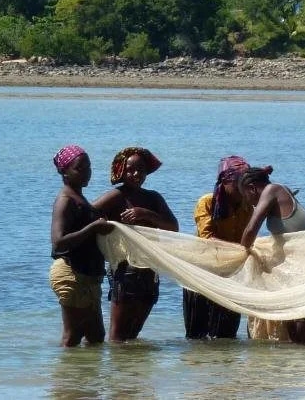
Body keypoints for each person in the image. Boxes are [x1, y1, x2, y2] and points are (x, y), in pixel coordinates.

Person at [93, 147, 179, 341]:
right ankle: (117, 360)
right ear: (121, 171)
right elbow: (88, 212)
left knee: (133, 333)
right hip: (124, 269)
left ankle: (132, 362)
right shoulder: (117, 196)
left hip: (150, 269)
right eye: (130, 170)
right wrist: (104, 225)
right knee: (117, 336)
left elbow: (173, 227)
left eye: (141, 169)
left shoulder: (153, 198)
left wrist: (145, 214)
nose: (136, 174)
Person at [239, 166, 305, 345]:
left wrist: (238, 255)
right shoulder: (282, 191)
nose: (249, 202)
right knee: (294, 332)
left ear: (252, 188)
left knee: (304, 331)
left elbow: (251, 228)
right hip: (300, 268)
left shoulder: (272, 190)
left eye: (246, 196)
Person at [49, 145, 112, 347]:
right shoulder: (65, 200)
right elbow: (58, 243)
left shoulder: (80, 197)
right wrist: (93, 227)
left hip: (88, 277)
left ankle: (85, 371)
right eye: (79, 168)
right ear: (64, 172)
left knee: (96, 336)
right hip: (71, 273)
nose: (86, 172)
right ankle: (64, 369)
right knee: (72, 336)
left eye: (88, 167)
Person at [184, 156, 253, 339]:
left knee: (226, 336)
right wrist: (240, 250)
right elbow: (207, 238)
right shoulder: (207, 202)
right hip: (200, 276)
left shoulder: (248, 207)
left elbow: (247, 239)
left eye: (246, 185)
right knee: (197, 337)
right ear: (225, 182)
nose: (243, 190)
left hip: (230, 277)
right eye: (238, 185)